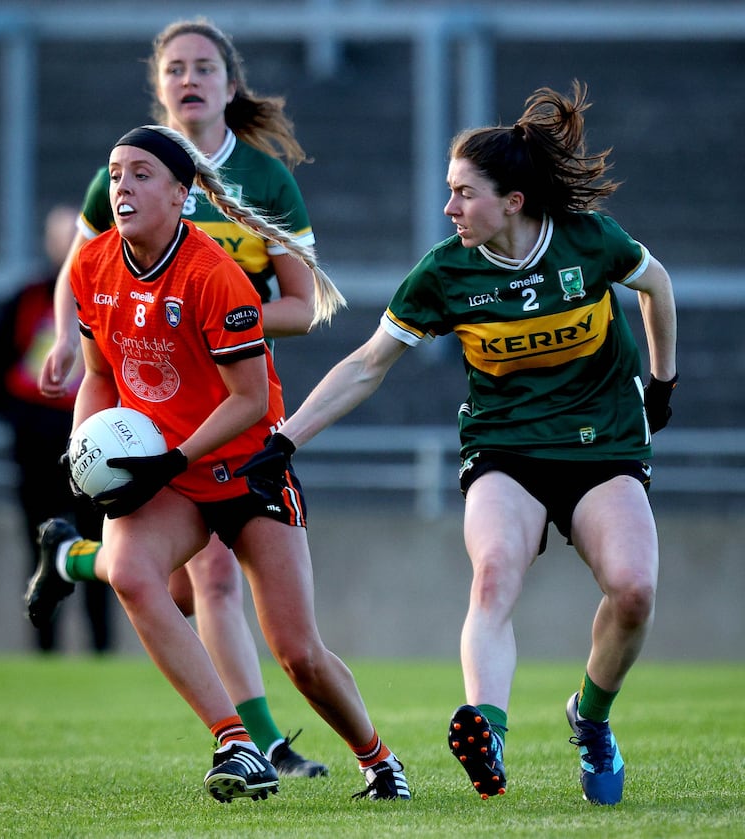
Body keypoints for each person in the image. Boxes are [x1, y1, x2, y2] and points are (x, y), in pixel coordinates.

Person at [235, 81, 678, 806]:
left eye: (463, 193)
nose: (448, 208)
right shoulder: (447, 271)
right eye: (448, 192)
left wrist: (662, 381)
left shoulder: (589, 240)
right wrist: (284, 441)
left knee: (634, 591)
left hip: (603, 445)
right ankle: (487, 727)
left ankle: (590, 719)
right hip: (505, 448)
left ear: (513, 200)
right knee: (494, 571)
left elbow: (656, 285)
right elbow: (366, 364)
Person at [25, 124, 409, 803]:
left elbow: (250, 400)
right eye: (115, 173)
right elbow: (98, 376)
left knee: (298, 654)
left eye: (142, 174)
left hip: (246, 465)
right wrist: (83, 446)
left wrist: (169, 457)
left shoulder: (213, 275)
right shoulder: (92, 266)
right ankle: (236, 740)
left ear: (181, 195)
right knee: (137, 576)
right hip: (168, 473)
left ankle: (378, 760)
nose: (122, 187)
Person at [37, 18, 327, 776]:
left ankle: (70, 558)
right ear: (159, 84)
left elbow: (304, 304)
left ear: (232, 86)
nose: (188, 79)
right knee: (208, 575)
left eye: (204, 67)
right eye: (174, 68)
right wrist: (68, 340)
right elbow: (82, 272)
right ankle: (257, 741)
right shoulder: (129, 170)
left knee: (172, 585)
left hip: (228, 397)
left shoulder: (265, 181)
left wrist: (215, 320)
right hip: (153, 409)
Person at [0, 205, 112, 654]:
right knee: (41, 546)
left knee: (102, 546)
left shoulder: (110, 293)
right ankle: (44, 650)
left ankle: (101, 651)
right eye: (62, 235)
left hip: (97, 448)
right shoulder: (28, 299)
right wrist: (25, 417)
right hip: (37, 450)